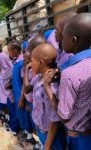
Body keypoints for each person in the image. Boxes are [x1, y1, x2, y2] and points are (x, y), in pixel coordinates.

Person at [43, 13, 91, 150]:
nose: (60, 39)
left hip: (79, 140)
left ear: (73, 40)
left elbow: (64, 115)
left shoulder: (69, 74)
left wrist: (47, 85)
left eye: (63, 36)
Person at [31, 43, 66, 150]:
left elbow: (54, 121)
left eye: (32, 61)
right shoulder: (38, 78)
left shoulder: (51, 85)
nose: (30, 64)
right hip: (41, 130)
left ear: (41, 63)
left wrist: (47, 146)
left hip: (51, 137)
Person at [0, 52, 19, 134]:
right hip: (5, 94)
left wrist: (10, 84)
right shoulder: (5, 69)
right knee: (11, 111)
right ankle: (12, 126)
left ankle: (14, 129)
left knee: (13, 112)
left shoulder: (9, 70)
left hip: (9, 95)